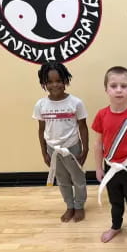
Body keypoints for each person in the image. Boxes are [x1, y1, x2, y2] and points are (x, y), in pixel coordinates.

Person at [92, 66, 127, 245]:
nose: (118, 90)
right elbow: (98, 143)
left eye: (124, 86)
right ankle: (116, 226)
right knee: (115, 202)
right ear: (106, 89)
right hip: (110, 168)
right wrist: (99, 167)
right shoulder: (101, 115)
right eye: (113, 85)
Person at [33, 62, 89, 223]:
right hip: (53, 150)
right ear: (44, 83)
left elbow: (83, 127)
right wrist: (44, 151)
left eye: (58, 80)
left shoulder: (76, 103)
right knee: (62, 180)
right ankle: (69, 205)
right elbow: (41, 129)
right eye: (49, 82)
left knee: (78, 179)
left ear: (66, 80)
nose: (54, 85)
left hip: (72, 147)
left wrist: (84, 150)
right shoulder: (41, 105)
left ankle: (79, 206)